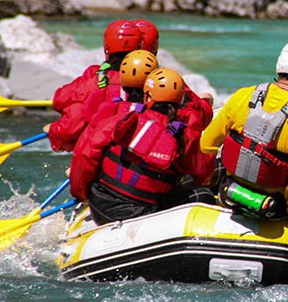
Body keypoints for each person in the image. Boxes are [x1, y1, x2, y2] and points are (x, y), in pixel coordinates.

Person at [201, 40, 288, 234]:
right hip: (272, 208)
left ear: (279, 66)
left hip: (229, 193)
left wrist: (209, 184)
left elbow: (206, 146)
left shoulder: (243, 96)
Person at [69, 68, 216, 225]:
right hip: (141, 215)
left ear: (147, 96)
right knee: (204, 195)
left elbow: (86, 156)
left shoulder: (121, 118)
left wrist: (81, 194)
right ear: (180, 101)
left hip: (98, 205)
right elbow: (204, 176)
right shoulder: (186, 136)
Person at [45, 20, 142, 152]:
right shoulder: (153, 82)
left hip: (104, 156)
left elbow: (70, 122)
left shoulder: (95, 79)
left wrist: (54, 130)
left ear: (107, 47)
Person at [132, 18, 213, 132]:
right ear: (154, 47)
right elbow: (199, 119)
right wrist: (205, 102)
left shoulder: (100, 76)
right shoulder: (166, 80)